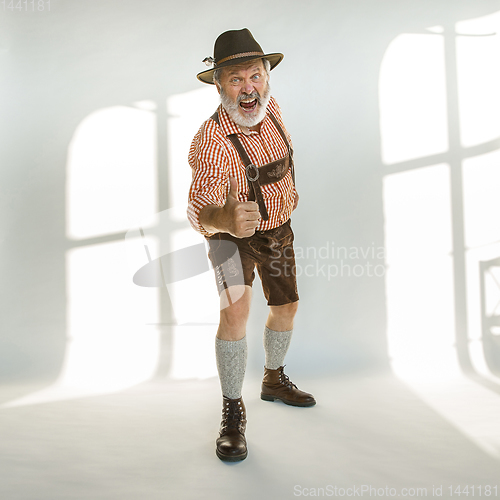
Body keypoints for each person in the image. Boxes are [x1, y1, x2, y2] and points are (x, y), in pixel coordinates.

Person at [187, 28, 315, 462]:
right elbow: (198, 209)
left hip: (277, 230)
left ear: (267, 77)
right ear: (219, 83)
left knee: (286, 307)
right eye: (237, 79)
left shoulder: (272, 109)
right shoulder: (211, 140)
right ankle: (232, 411)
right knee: (235, 311)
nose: (249, 88)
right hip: (228, 239)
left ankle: (273, 380)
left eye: (255, 76)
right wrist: (224, 217)